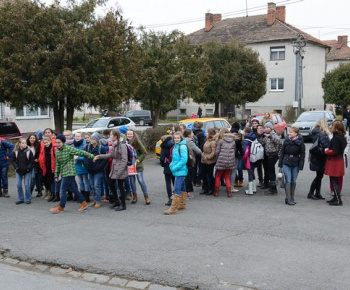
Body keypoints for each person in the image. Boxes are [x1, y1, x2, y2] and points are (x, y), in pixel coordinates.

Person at [50, 135, 95, 214]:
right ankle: (83, 203)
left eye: (59, 142)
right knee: (74, 189)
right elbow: (58, 164)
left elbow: (80, 152)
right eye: (56, 143)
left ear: (63, 142)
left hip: (69, 172)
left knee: (63, 190)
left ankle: (61, 207)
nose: (58, 144)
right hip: (64, 172)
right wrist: (56, 174)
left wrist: (91, 156)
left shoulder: (68, 148)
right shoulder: (57, 151)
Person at [94, 129, 128, 211]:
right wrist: (99, 156)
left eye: (111, 135)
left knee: (120, 187)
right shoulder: (115, 144)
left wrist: (120, 171)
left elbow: (124, 159)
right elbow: (111, 155)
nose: (110, 136)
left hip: (120, 169)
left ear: (115, 136)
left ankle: (123, 205)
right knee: (111, 184)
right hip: (114, 168)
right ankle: (117, 201)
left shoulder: (122, 145)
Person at [278, 126, 305, 205]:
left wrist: (301, 165)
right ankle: (288, 198)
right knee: (288, 180)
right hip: (286, 161)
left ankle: (292, 197)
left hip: (295, 162)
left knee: (293, 180)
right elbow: (282, 152)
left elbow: (302, 155)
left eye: (291, 132)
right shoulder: (286, 141)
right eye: (289, 132)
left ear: (296, 133)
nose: (289, 133)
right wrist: (280, 164)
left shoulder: (300, 142)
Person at [164, 131, 188, 215]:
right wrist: (171, 165)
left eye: (178, 138)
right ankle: (182, 204)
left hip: (180, 171)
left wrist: (174, 167)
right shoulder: (175, 146)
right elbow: (174, 159)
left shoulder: (182, 147)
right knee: (182, 187)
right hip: (178, 170)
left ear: (181, 138)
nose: (176, 139)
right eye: (175, 138)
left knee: (176, 189)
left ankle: (173, 208)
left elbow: (184, 160)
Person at [324, 121, 347, 206]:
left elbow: (334, 151)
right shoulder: (342, 137)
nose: (331, 127)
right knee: (334, 180)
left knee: (334, 181)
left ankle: (338, 200)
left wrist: (326, 151)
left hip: (335, 161)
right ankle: (335, 198)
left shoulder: (336, 138)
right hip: (339, 160)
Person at [307, 119, 330, 200]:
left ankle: (317, 193)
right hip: (321, 157)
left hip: (316, 156)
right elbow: (325, 145)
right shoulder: (322, 134)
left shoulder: (315, 132)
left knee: (319, 175)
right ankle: (311, 193)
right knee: (319, 176)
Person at [126, 130, 151, 205]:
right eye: (128, 134)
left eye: (131, 134)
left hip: (138, 166)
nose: (129, 135)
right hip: (130, 166)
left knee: (141, 180)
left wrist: (138, 160)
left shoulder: (137, 142)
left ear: (133, 135)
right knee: (132, 182)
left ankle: (146, 196)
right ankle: (134, 196)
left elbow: (144, 152)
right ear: (126, 135)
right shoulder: (125, 143)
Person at [85, 133, 107, 209]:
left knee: (97, 186)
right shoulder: (88, 147)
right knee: (92, 186)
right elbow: (85, 156)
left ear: (97, 140)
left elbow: (105, 159)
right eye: (91, 138)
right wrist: (87, 165)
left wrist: (99, 167)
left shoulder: (101, 148)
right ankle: (95, 200)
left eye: (93, 139)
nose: (91, 140)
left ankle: (98, 201)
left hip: (98, 170)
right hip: (90, 170)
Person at [259, 122, 282, 194]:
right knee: (270, 171)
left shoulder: (273, 134)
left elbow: (278, 141)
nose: (266, 129)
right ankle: (272, 187)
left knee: (271, 171)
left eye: (268, 127)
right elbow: (262, 143)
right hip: (268, 155)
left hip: (273, 155)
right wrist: (261, 136)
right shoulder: (265, 135)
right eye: (265, 127)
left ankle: (273, 189)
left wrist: (270, 136)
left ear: (271, 128)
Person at [11, 138, 34, 204]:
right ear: (19, 144)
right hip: (19, 170)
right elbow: (13, 160)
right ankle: (20, 198)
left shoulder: (29, 151)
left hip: (27, 170)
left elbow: (31, 160)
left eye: (25, 143)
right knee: (18, 184)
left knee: (27, 184)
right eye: (23, 143)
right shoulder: (15, 151)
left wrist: (28, 168)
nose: (25, 144)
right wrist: (16, 167)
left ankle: (28, 198)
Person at [214, 128, 236, 197]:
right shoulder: (233, 141)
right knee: (227, 176)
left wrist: (217, 159)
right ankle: (229, 192)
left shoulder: (220, 141)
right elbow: (234, 151)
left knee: (218, 175)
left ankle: (216, 191)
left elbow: (217, 152)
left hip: (221, 160)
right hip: (230, 160)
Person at [72, 132, 90, 202]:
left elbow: (87, 156)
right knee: (80, 182)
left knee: (85, 181)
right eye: (76, 136)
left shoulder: (84, 145)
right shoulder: (74, 145)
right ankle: (82, 197)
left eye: (78, 136)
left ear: (81, 137)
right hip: (77, 165)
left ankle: (87, 197)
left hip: (83, 165)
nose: (77, 137)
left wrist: (78, 158)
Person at [184, 129, 202, 198]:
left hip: (185, 160)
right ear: (189, 134)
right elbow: (198, 151)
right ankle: (187, 192)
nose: (193, 134)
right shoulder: (190, 142)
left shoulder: (183, 140)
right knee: (189, 177)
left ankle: (187, 191)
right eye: (192, 133)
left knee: (186, 176)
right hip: (190, 160)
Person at [39, 136, 57, 201]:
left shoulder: (54, 148)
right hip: (46, 167)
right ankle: (52, 194)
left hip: (53, 167)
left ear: (50, 141)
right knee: (50, 181)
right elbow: (42, 158)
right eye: (44, 143)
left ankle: (55, 194)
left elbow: (56, 158)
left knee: (54, 181)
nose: (46, 144)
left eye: (47, 142)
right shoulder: (43, 149)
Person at [200, 128, 217, 196]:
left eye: (207, 132)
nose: (206, 133)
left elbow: (213, 152)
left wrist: (208, 157)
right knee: (203, 174)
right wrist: (203, 155)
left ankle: (211, 188)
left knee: (209, 175)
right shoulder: (207, 140)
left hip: (210, 161)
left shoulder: (213, 141)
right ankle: (205, 188)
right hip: (204, 159)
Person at [160, 135, 175, 206]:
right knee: (175, 182)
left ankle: (170, 199)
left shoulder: (163, 146)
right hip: (175, 165)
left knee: (168, 183)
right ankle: (177, 197)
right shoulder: (174, 145)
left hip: (167, 166)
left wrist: (163, 164)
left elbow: (162, 158)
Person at [242, 127, 257, 195]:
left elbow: (245, 151)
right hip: (255, 156)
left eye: (244, 131)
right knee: (252, 171)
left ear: (246, 132)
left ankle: (250, 190)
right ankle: (254, 188)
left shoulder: (246, 140)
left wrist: (243, 158)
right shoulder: (254, 137)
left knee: (250, 172)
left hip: (249, 158)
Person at [192, 121, 206, 187]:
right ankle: (198, 180)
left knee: (194, 167)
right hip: (199, 152)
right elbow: (202, 145)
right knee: (200, 167)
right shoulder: (201, 134)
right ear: (201, 127)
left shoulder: (191, 133)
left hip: (192, 153)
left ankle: (193, 180)